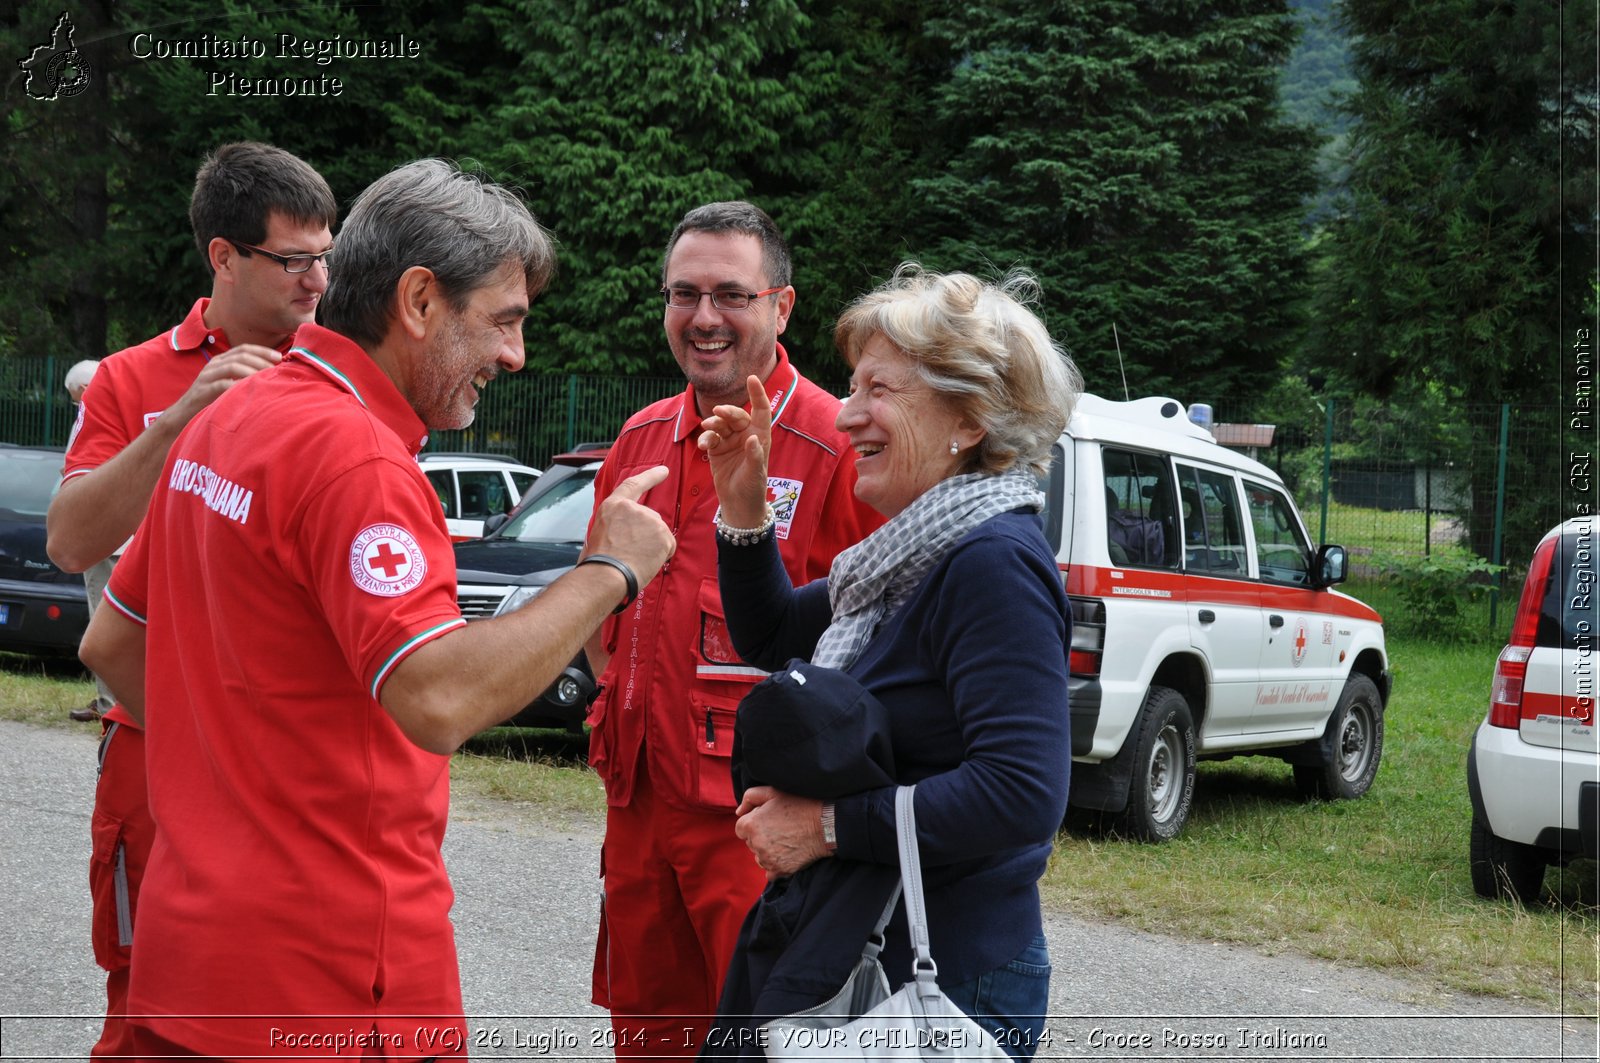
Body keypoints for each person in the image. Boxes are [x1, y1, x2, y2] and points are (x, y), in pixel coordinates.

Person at [77, 158, 677, 1061]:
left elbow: (115, 640)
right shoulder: (360, 460)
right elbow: (435, 698)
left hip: (193, 959)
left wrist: (248, 776)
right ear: (421, 300)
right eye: (504, 320)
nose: (515, 355)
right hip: (334, 985)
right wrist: (608, 573)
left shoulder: (233, 414)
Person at [696, 264, 1080, 1059]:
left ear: (968, 419)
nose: (845, 416)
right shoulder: (907, 555)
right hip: (876, 948)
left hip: (945, 983)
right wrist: (743, 499)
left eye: (879, 390)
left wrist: (827, 826)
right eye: (850, 386)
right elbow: (770, 633)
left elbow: (1024, 791)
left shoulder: (991, 562)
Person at [45, 142, 337, 1059]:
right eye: (293, 260)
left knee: (290, 1003)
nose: (318, 279)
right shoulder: (133, 380)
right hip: (152, 739)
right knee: (144, 1011)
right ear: (223, 256)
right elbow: (69, 540)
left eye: (325, 255)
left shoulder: (341, 375)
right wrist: (175, 428)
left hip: (291, 760)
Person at [583, 201, 882, 1057]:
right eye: (684, 294)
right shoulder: (639, 439)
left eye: (730, 295)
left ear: (780, 307)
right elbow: (600, 606)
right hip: (638, 814)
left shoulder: (835, 443)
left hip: (756, 825)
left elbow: (877, 651)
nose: (704, 318)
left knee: (762, 1038)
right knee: (646, 1037)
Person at [60, 359, 112, 722]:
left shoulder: (94, 414)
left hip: (104, 537)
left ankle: (111, 706)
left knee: (104, 620)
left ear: (81, 390)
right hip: (122, 536)